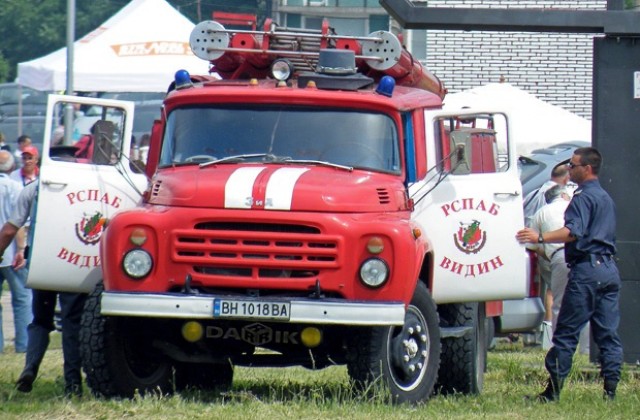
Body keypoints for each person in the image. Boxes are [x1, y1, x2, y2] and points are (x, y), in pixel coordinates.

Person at [516, 147, 622, 402]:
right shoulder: (606, 198)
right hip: (608, 269)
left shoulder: (582, 197)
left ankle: (552, 392)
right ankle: (610, 392)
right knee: (607, 334)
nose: (569, 170)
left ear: (587, 169)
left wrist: (540, 236)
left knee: (565, 333)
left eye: (573, 165)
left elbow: (573, 232)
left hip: (586, 270)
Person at [0, 180, 87, 397]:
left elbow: (11, 228)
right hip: (73, 259)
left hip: (42, 258)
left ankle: (30, 367)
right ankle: (73, 384)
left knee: (40, 319)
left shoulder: (33, 188)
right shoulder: (83, 185)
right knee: (71, 323)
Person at [528, 184, 589, 354]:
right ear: (563, 195)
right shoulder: (574, 206)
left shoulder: (541, 212)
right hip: (584, 255)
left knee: (559, 304)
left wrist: (549, 255)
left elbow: (533, 245)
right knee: (585, 301)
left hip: (559, 256)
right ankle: (587, 349)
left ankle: (559, 347)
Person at [0, 151, 31, 354]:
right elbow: (18, 223)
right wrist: (21, 248)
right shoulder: (15, 187)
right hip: (10, 252)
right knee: (21, 299)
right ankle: (23, 345)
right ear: (12, 168)